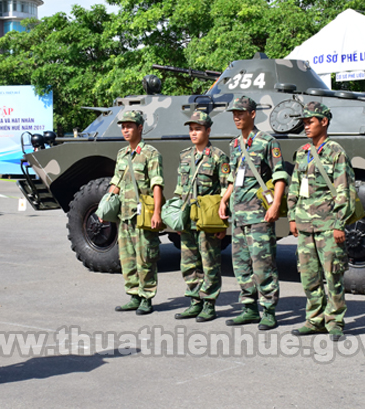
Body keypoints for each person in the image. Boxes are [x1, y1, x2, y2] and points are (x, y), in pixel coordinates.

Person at [219, 96, 289, 330]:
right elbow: (232, 178)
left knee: (263, 263)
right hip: (238, 216)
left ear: (252, 114)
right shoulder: (234, 145)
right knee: (241, 264)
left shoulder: (267, 142)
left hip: (259, 215)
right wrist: (224, 200)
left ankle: (268, 310)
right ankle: (249, 308)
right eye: (234, 113)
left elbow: (279, 175)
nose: (236, 117)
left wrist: (275, 204)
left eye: (241, 112)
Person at [287, 102, 354, 341]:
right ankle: (315, 319)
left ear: (323, 122)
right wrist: (292, 216)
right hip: (305, 224)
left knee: (333, 274)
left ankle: (334, 321)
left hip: (328, 225)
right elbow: (295, 185)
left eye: (310, 121)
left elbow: (343, 190)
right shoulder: (303, 151)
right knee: (308, 275)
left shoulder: (336, 152)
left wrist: (339, 223)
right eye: (304, 122)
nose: (305, 126)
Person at [173, 110, 230, 322]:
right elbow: (180, 188)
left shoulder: (218, 157)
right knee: (189, 263)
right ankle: (194, 301)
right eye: (191, 129)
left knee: (209, 263)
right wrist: (179, 216)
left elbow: (226, 188)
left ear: (208, 130)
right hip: (189, 218)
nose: (193, 133)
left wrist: (223, 222)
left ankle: (209, 304)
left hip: (208, 218)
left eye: (198, 129)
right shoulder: (185, 156)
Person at [108, 110, 164, 315]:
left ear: (140, 128)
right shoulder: (122, 154)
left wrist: (157, 213)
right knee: (127, 257)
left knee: (145, 257)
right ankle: (133, 295)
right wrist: (105, 204)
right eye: (123, 126)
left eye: (129, 126)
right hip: (124, 214)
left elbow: (157, 184)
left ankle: (147, 297)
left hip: (143, 215)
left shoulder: (151, 153)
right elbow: (116, 181)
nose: (125, 130)